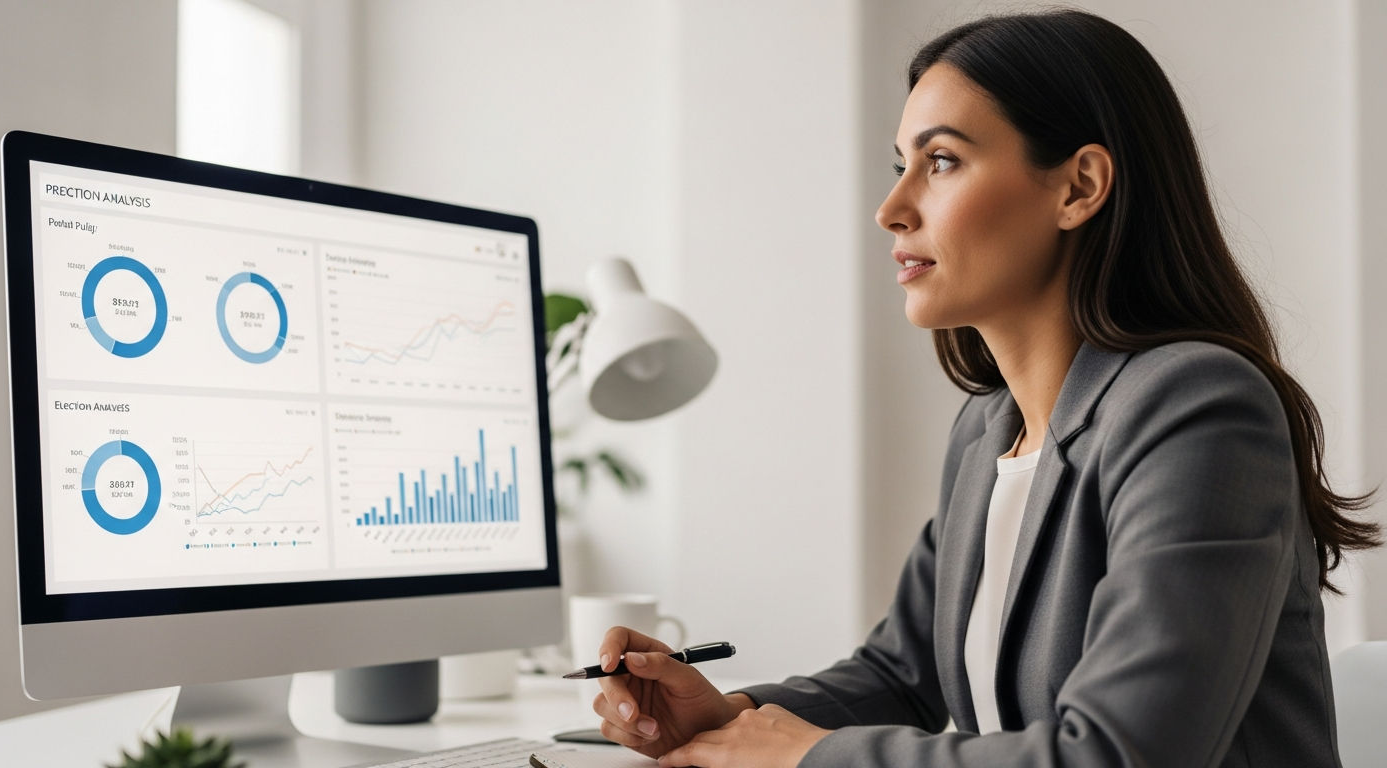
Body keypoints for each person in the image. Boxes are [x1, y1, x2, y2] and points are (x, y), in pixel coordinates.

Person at [586, 9, 1382, 768]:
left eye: (941, 162)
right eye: (901, 167)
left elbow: (1122, 753)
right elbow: (903, 676)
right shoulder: (986, 432)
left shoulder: (1197, 407)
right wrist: (729, 716)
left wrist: (806, 754)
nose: (891, 209)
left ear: (1078, 187)